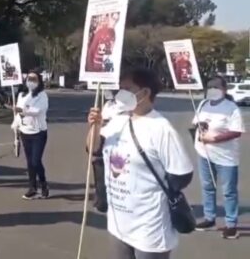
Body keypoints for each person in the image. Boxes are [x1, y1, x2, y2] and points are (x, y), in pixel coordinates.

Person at [87, 68, 193, 258]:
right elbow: (93, 149)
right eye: (120, 89)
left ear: (145, 93)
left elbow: (182, 175)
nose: (120, 94)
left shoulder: (161, 129)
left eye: (127, 89)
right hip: (119, 223)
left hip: (149, 227)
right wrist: (95, 126)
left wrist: (149, 190)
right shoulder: (117, 122)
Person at [193, 76, 245, 239]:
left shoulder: (231, 108)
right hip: (204, 153)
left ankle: (231, 224)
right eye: (210, 87)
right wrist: (199, 129)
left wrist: (214, 139)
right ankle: (210, 218)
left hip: (226, 157)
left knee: (229, 191)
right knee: (208, 187)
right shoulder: (203, 104)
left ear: (224, 89)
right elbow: (196, 122)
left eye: (217, 87)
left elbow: (236, 131)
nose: (213, 90)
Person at [15, 70, 50, 199]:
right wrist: (16, 125)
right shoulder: (22, 95)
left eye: (34, 79)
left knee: (36, 161)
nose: (31, 81)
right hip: (25, 131)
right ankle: (32, 187)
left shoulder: (42, 95)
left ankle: (43, 183)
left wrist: (23, 110)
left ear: (39, 81)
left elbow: (38, 111)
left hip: (38, 132)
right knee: (30, 162)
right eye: (29, 78)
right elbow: (18, 113)